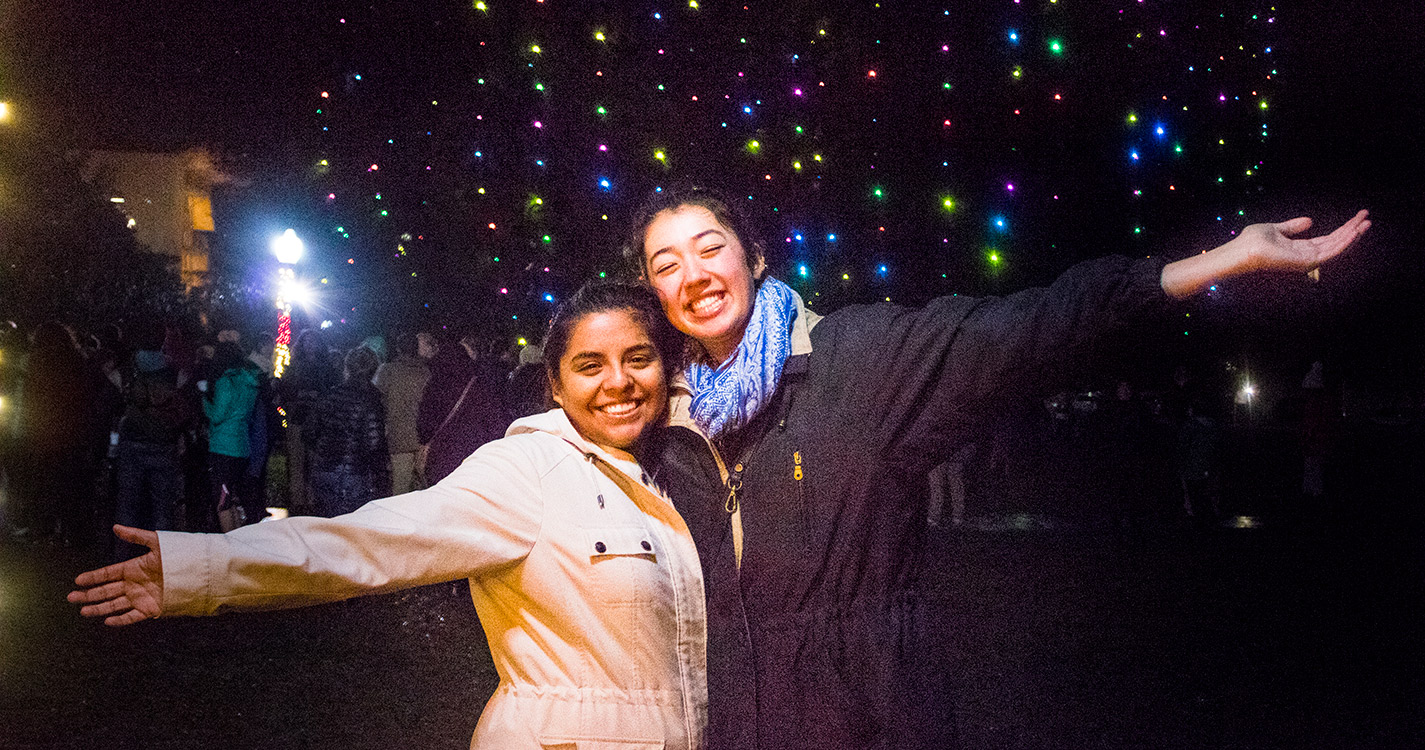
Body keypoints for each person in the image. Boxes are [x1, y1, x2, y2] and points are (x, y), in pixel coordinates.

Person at [623, 183, 1371, 749]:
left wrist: (1221, 260)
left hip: (867, 716)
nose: (693, 273)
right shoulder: (663, 420)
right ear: (654, 292)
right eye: (666, 263)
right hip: (730, 723)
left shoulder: (860, 360)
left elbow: (1031, 327)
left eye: (709, 246)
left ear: (753, 257)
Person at [68, 282, 708, 750]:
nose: (618, 382)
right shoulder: (529, 472)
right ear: (555, 385)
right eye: (590, 365)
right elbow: (368, 542)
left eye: (638, 358)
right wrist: (202, 566)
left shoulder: (683, 473)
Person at [303, 346, 390, 517]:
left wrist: (325, 449)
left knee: (326, 526)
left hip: (324, 469)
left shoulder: (331, 395)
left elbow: (309, 432)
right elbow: (374, 444)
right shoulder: (372, 400)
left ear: (347, 367)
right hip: (355, 474)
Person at [373, 332, 431, 494]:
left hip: (398, 438)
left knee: (400, 487)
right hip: (422, 438)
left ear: (398, 349)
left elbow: (376, 400)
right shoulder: (427, 373)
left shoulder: (387, 371)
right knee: (422, 489)